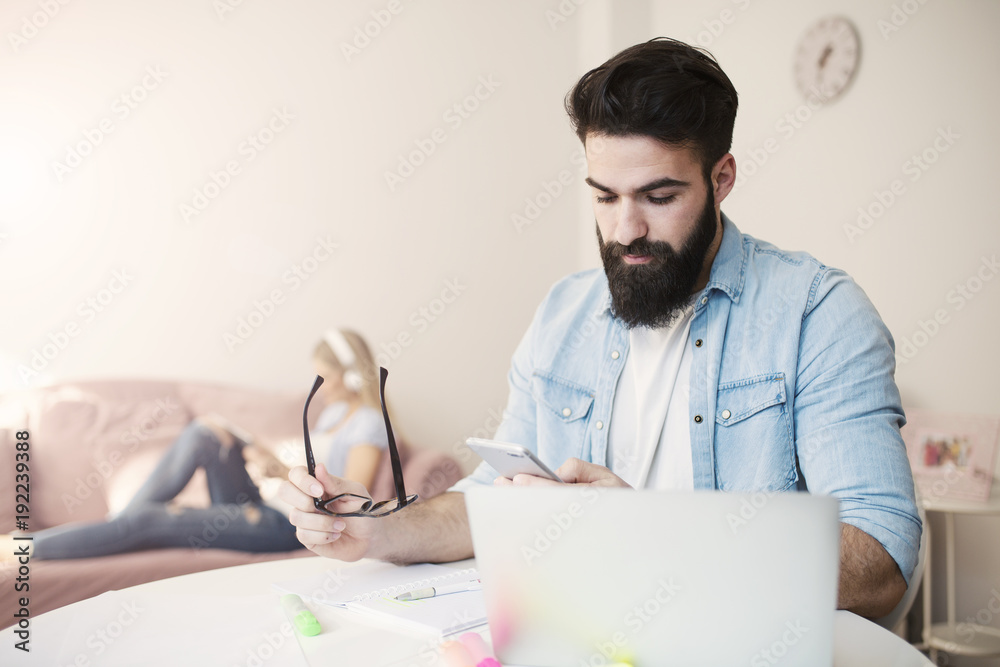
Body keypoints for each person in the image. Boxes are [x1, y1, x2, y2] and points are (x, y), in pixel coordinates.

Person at [280, 38, 922, 620]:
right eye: (604, 196)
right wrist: (373, 530)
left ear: (721, 179)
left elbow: (881, 561)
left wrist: (642, 528)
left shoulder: (818, 314)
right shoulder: (563, 314)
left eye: (659, 197)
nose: (624, 231)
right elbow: (491, 505)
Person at [16, 328, 389, 560]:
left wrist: (282, 470)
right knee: (206, 432)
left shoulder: (368, 423)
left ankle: (27, 548)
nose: (319, 382)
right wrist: (272, 462)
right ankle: (121, 525)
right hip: (269, 502)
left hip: (286, 525)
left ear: (351, 375)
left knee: (146, 521)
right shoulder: (329, 417)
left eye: (325, 374)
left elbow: (346, 501)